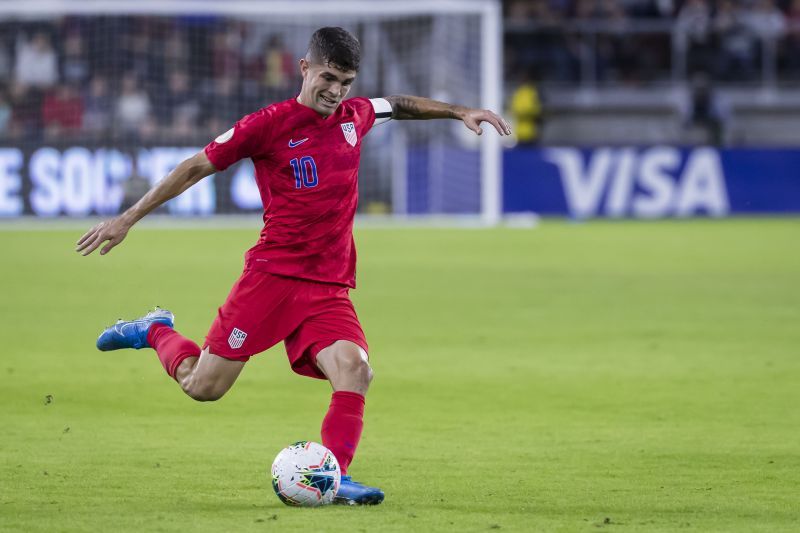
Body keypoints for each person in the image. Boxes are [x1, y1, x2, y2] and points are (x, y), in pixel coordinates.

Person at [76, 27, 511, 505]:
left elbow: (399, 104)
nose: (336, 91)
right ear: (305, 68)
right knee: (203, 386)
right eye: (329, 77)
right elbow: (195, 166)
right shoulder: (267, 124)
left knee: (355, 369)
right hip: (272, 278)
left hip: (327, 284)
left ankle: (337, 476)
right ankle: (156, 330)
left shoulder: (355, 116)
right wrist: (128, 218)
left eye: (346, 81)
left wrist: (458, 111)